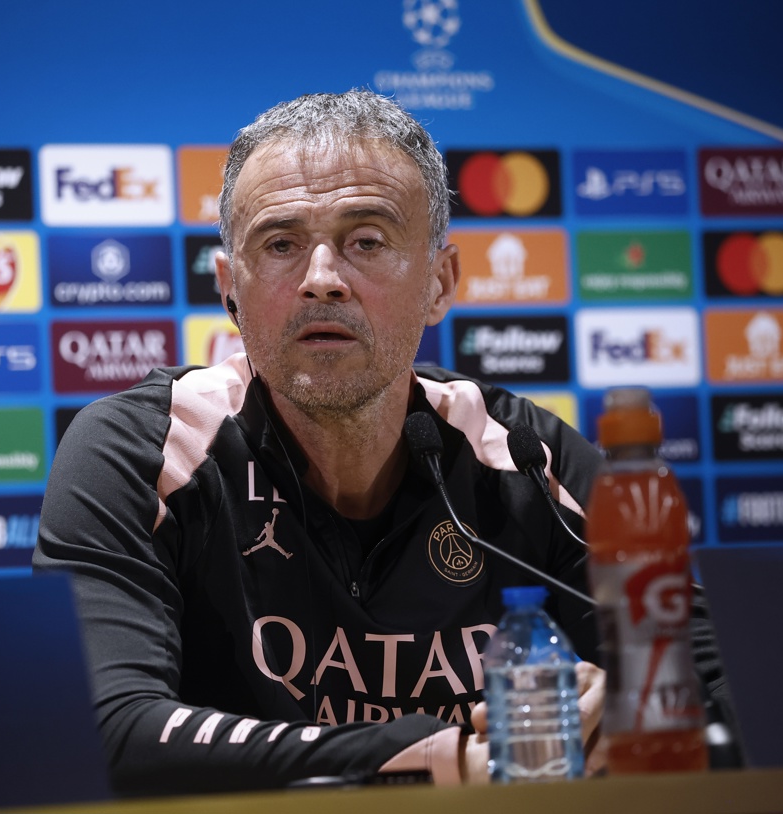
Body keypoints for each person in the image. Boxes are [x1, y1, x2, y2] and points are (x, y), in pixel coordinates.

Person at [37, 90, 616, 796]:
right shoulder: (143, 452)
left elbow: (717, 691)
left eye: (366, 241)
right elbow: (104, 734)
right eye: (280, 245)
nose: (321, 281)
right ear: (230, 292)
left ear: (440, 283)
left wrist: (623, 714)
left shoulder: (527, 459)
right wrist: (430, 758)